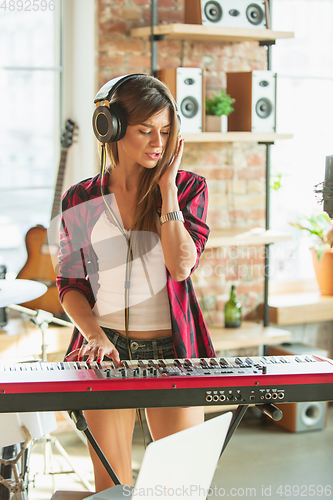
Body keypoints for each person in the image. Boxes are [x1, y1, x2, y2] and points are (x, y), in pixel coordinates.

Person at [56, 74, 216, 492]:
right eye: (146, 130)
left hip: (174, 352)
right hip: (106, 350)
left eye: (165, 131)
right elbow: (69, 282)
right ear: (110, 127)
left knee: (180, 489)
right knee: (111, 489)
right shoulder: (80, 198)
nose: (157, 142)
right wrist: (93, 336)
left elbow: (181, 266)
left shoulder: (187, 187)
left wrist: (168, 195)